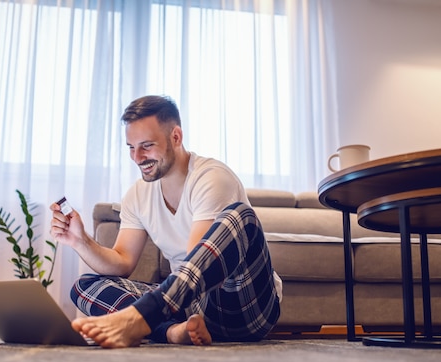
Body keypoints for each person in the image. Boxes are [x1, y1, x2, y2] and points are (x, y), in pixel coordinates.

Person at [50, 95, 282, 348]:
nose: (137, 157)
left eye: (146, 146)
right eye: (131, 147)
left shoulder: (211, 178)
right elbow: (122, 262)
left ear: (176, 137)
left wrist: (146, 307)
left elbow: (198, 260)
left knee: (241, 216)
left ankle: (142, 319)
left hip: (241, 305)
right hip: (187, 307)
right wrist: (80, 241)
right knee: (86, 285)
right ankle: (171, 332)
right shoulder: (137, 195)